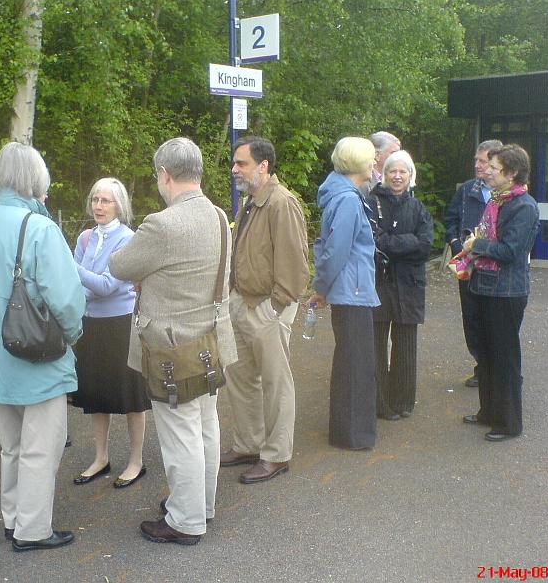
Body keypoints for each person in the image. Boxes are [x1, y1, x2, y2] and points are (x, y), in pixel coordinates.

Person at [109, 137, 236, 546]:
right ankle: (203, 505)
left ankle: (185, 521)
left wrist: (148, 277)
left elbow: (120, 266)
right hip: (210, 339)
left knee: (181, 434)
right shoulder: (220, 216)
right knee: (205, 426)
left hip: (171, 347)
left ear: (164, 174)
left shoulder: (162, 224)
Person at [0, 142, 85, 551]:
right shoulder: (39, 228)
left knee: (11, 446)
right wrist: (72, 336)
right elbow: (67, 299)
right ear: (36, 180)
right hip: (37, 354)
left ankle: (13, 518)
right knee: (41, 447)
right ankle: (33, 530)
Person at [220, 136, 308, 484]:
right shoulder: (251, 201)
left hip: (268, 308)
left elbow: (296, 265)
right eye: (235, 163)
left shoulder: (281, 203)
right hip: (241, 302)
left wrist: (275, 307)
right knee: (240, 379)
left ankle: (276, 455)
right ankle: (248, 444)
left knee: (276, 384)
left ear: (263, 166)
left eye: (241, 163)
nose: (234, 169)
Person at [71, 177, 151, 488]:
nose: (99, 206)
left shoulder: (127, 239)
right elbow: (85, 285)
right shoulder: (85, 238)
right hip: (91, 323)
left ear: (119, 205)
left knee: (131, 395)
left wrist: (73, 268)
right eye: (95, 199)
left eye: (106, 201)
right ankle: (101, 457)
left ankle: (136, 461)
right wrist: (85, 282)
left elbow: (107, 284)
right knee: (97, 394)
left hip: (121, 324)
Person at [459, 144, 539, 441]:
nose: (487, 171)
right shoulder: (496, 201)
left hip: (507, 292)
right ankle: (488, 413)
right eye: (488, 165)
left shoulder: (524, 206)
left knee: (505, 357)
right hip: (485, 286)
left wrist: (475, 246)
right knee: (488, 354)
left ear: (512, 173)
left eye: (494, 167)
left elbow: (510, 251)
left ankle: (508, 423)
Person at [309, 137, 381, 450]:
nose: (375, 164)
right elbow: (336, 249)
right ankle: (353, 435)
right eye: (371, 159)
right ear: (357, 163)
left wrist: (323, 287)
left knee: (352, 362)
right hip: (352, 291)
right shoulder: (348, 200)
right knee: (356, 365)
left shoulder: (342, 194)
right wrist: (320, 289)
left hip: (350, 289)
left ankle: (349, 432)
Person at [366, 151, 433, 420]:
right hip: (378, 283)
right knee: (376, 347)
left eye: (403, 171)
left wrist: (390, 243)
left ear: (410, 175)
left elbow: (426, 245)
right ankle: (380, 403)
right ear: (384, 174)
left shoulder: (418, 208)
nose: (397, 176)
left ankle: (403, 401)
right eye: (392, 171)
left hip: (409, 285)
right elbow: (371, 239)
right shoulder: (371, 202)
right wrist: (406, 242)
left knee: (406, 346)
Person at [443, 139, 503, 387]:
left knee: (495, 318)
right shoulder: (468, 189)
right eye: (476, 160)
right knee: (471, 317)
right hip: (468, 267)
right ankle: (482, 365)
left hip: (497, 268)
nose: (478, 165)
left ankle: (496, 367)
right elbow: (450, 219)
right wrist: (457, 246)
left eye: (483, 161)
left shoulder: (508, 194)